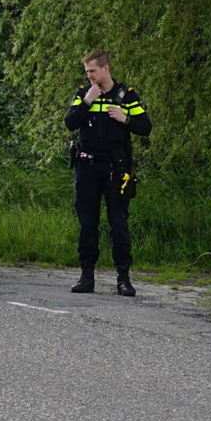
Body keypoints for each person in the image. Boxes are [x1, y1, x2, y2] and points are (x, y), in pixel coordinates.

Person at [64, 50, 152, 296]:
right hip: (87, 168)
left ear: (105, 69)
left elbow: (145, 127)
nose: (89, 76)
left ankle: (123, 278)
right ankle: (86, 276)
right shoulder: (84, 94)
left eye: (92, 71)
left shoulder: (127, 96)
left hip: (116, 169)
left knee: (118, 224)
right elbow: (70, 122)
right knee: (87, 223)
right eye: (87, 72)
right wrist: (87, 101)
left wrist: (126, 119)